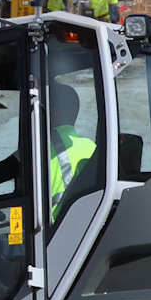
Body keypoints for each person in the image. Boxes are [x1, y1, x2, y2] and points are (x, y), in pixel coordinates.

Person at [48, 82, 96, 223]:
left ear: (52, 113)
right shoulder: (92, 146)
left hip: (52, 229)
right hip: (80, 224)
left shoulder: (42, 146)